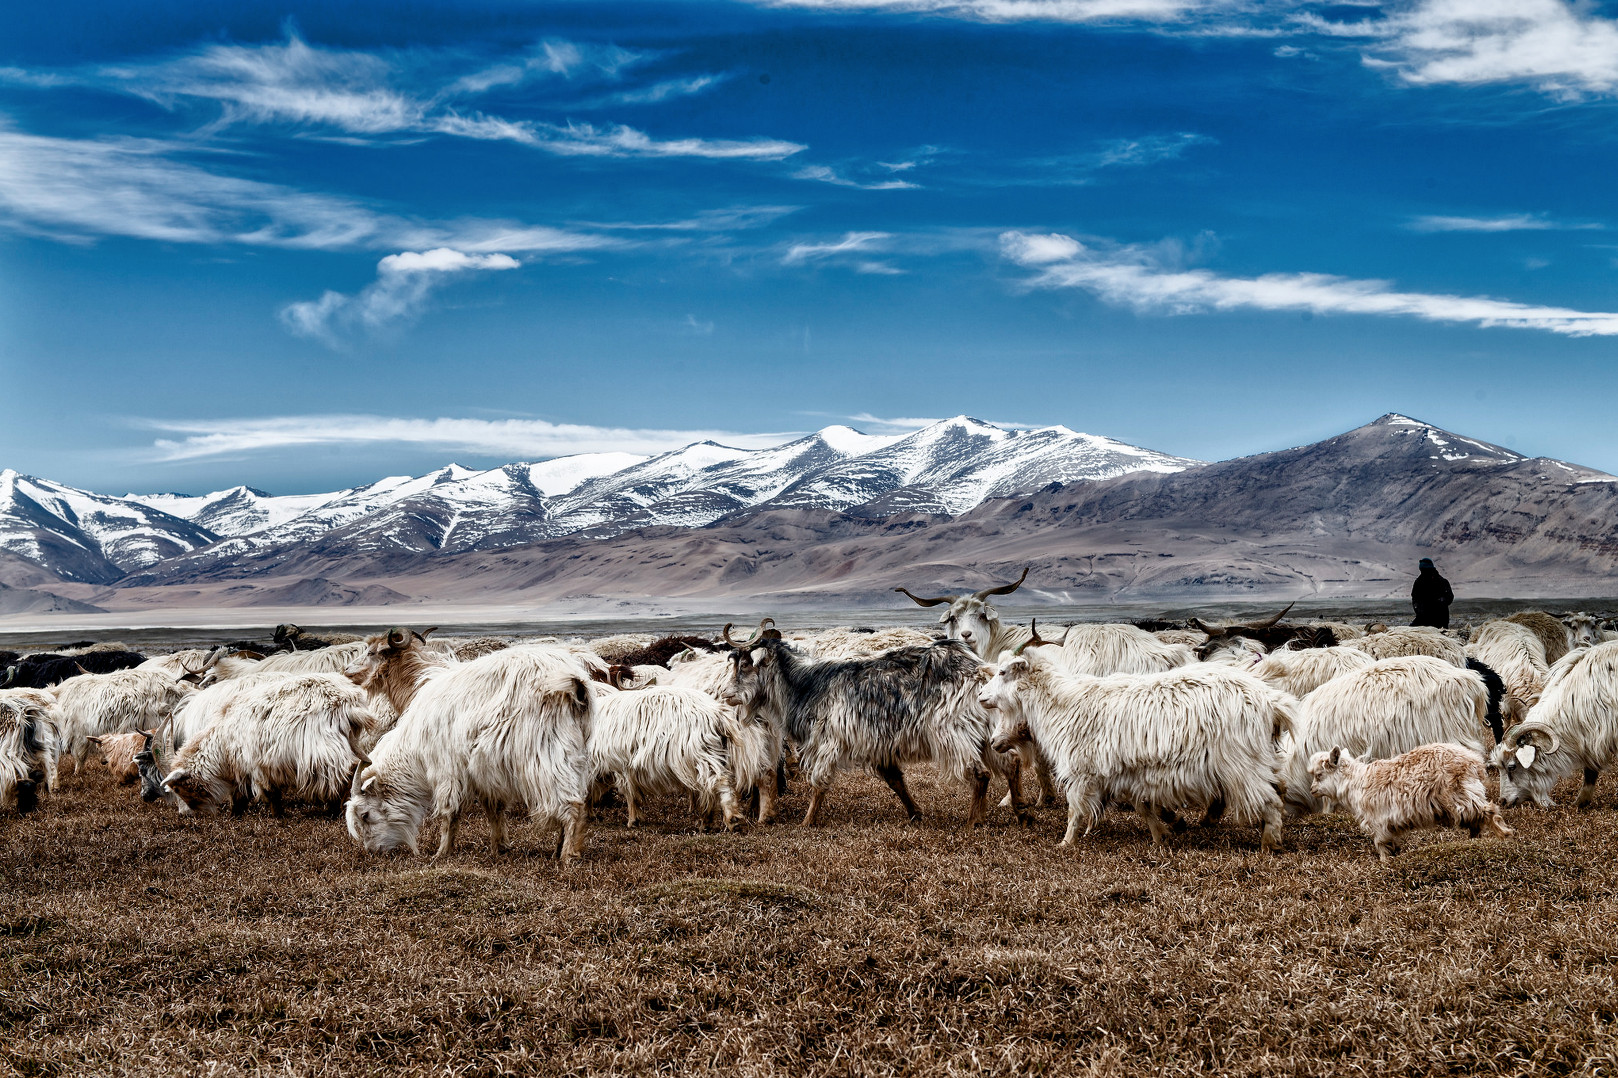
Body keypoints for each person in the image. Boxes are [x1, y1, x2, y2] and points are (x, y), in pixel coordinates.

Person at [1411, 557, 1453, 629]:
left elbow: (1449, 597)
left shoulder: (1441, 581)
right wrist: (1418, 609)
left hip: (1440, 617)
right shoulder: (1418, 582)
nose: (1424, 572)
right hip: (1423, 617)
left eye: (1425, 570)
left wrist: (1441, 602)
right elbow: (1414, 598)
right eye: (1422, 570)